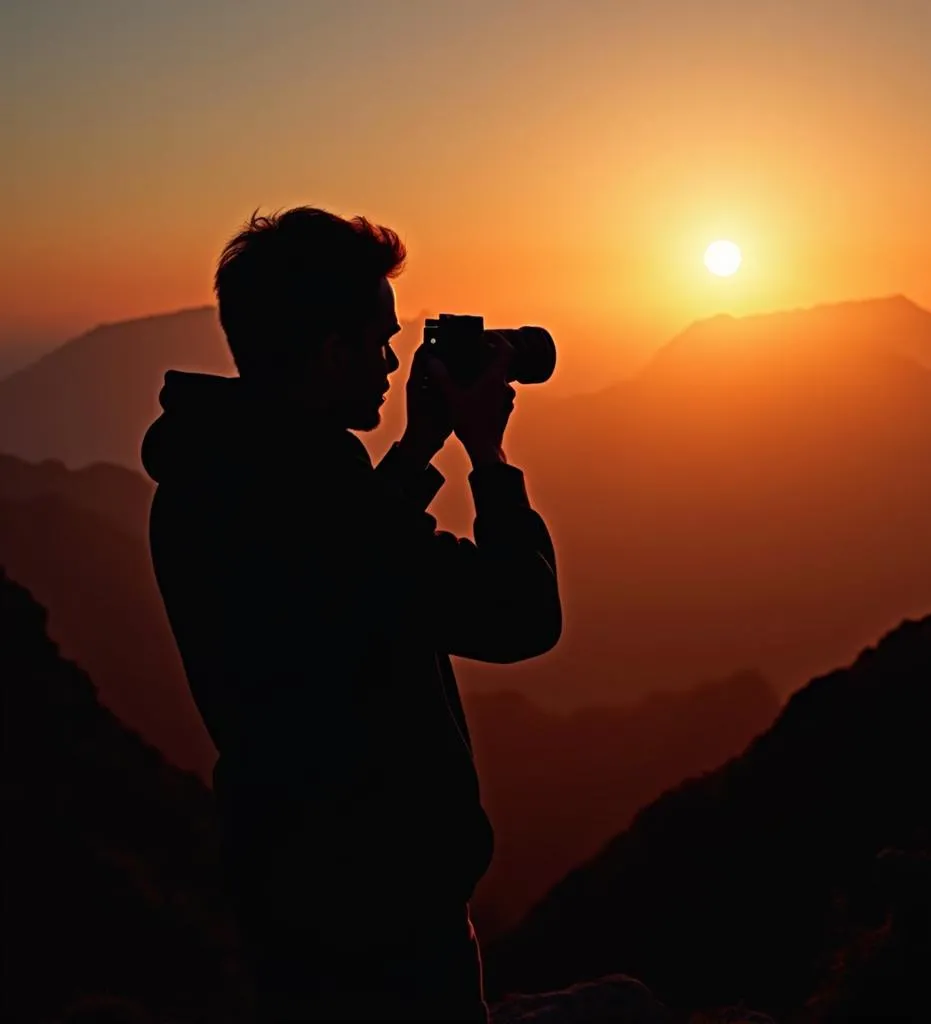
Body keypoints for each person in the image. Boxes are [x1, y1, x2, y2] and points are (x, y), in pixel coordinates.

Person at [141, 207, 561, 1021]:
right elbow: (519, 616)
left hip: (289, 889)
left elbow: (345, 586)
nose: (395, 360)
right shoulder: (313, 501)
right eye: (379, 341)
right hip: (386, 919)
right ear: (331, 351)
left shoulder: (213, 471)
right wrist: (487, 456)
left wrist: (414, 451)